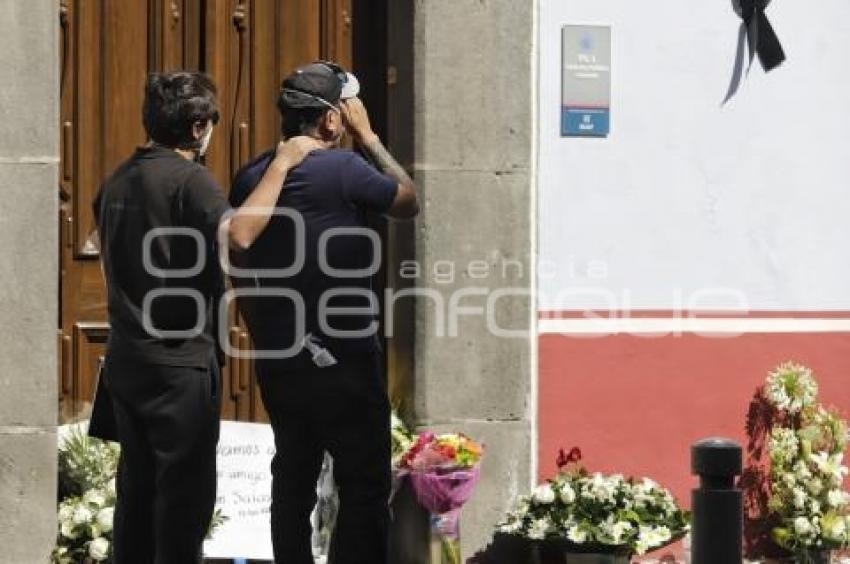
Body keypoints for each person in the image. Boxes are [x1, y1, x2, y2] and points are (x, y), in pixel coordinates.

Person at [93, 71, 317, 564]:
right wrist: (282, 163)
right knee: (183, 504)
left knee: (136, 495)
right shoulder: (189, 180)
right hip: (178, 364)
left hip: (127, 361)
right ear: (198, 129)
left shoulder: (117, 179)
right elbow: (238, 235)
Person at [228, 60, 418, 564]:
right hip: (347, 358)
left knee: (292, 478)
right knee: (364, 485)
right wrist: (371, 137)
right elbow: (407, 200)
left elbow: (238, 260)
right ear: (332, 120)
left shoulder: (254, 174)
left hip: (283, 358)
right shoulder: (347, 168)